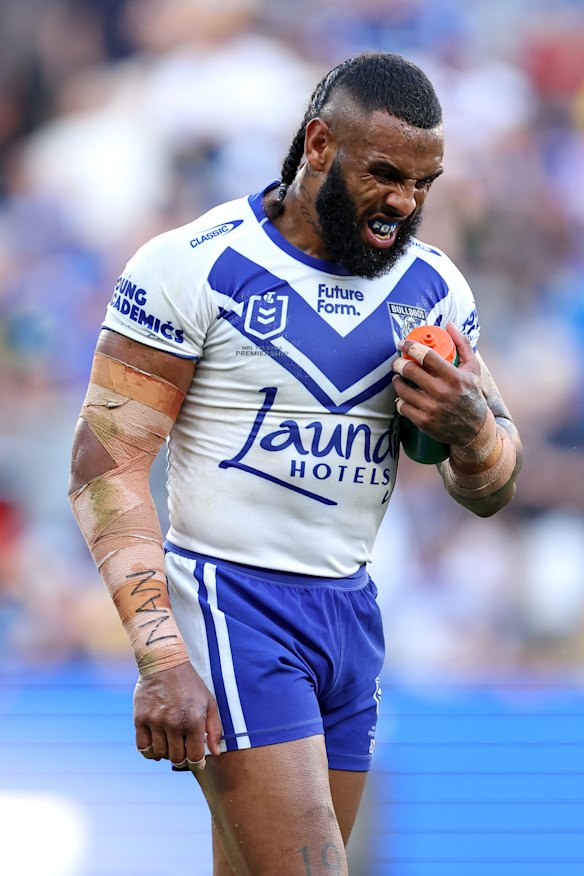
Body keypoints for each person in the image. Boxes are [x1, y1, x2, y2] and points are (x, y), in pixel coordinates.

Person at [69, 51, 522, 875]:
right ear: (318, 144)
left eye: (424, 183)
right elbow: (104, 468)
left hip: (349, 610)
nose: (404, 202)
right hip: (231, 600)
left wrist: (470, 430)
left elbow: (491, 484)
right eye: (385, 173)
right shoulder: (195, 264)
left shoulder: (435, 290)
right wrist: (162, 656)